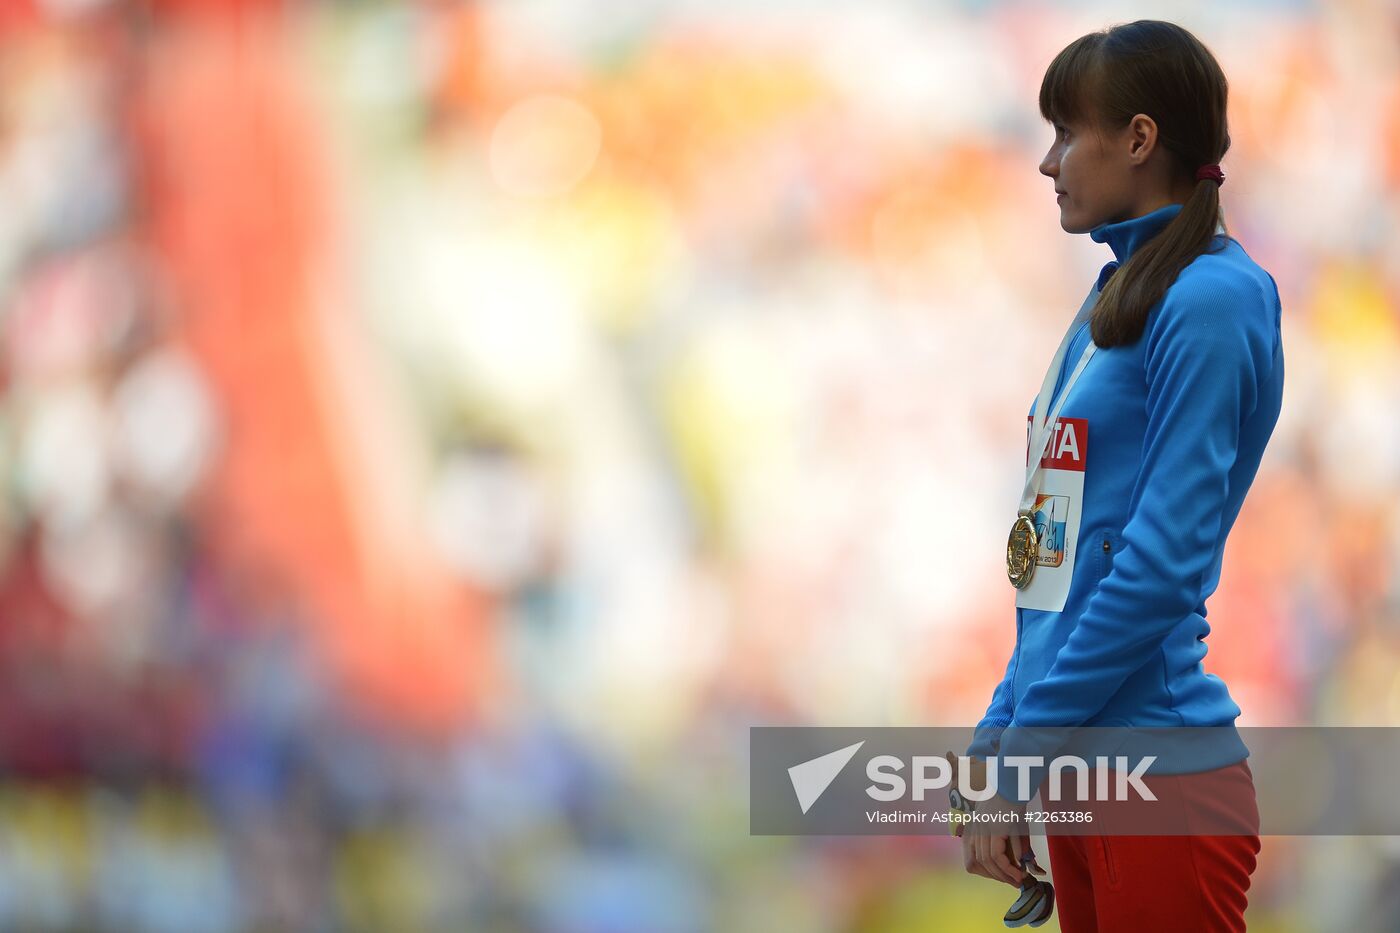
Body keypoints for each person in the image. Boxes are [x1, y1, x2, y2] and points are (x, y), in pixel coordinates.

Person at [957, 20, 1283, 932]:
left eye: (1067, 132)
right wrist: (997, 748)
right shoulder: (1114, 299)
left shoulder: (1214, 298)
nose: (1047, 160)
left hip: (1161, 778)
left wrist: (1021, 754)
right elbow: (1052, 570)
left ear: (1140, 138)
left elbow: (1159, 566)